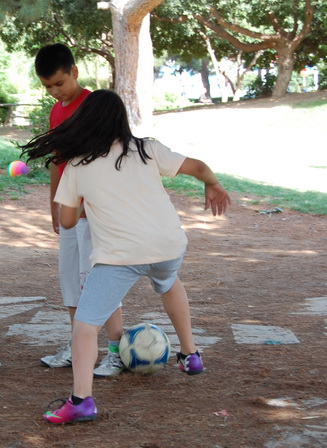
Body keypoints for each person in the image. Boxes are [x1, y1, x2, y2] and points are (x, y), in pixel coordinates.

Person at [20, 90, 231, 424]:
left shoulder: (77, 165)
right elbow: (199, 167)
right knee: (168, 281)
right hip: (169, 246)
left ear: (84, 122)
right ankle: (191, 355)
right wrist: (213, 184)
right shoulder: (147, 148)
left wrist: (85, 204)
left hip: (121, 256)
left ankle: (81, 401)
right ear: (122, 120)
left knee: (85, 326)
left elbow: (67, 222)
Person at [34, 43, 125, 377]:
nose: (55, 91)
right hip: (70, 211)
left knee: (99, 282)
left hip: (95, 213)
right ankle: (78, 348)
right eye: (48, 87)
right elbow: (57, 163)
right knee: (71, 280)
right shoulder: (56, 112)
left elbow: (109, 159)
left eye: (59, 83)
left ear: (74, 72)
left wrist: (95, 204)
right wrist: (54, 205)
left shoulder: (95, 105)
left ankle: (116, 351)